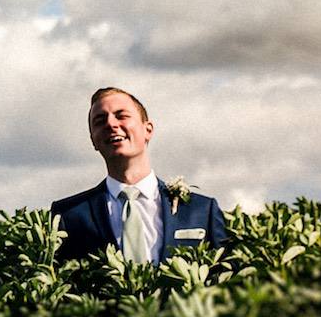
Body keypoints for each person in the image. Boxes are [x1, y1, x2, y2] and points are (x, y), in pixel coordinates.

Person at [49, 87, 228, 263]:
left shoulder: (203, 210)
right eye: (100, 121)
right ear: (93, 140)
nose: (111, 124)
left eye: (121, 116)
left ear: (148, 129)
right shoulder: (68, 215)